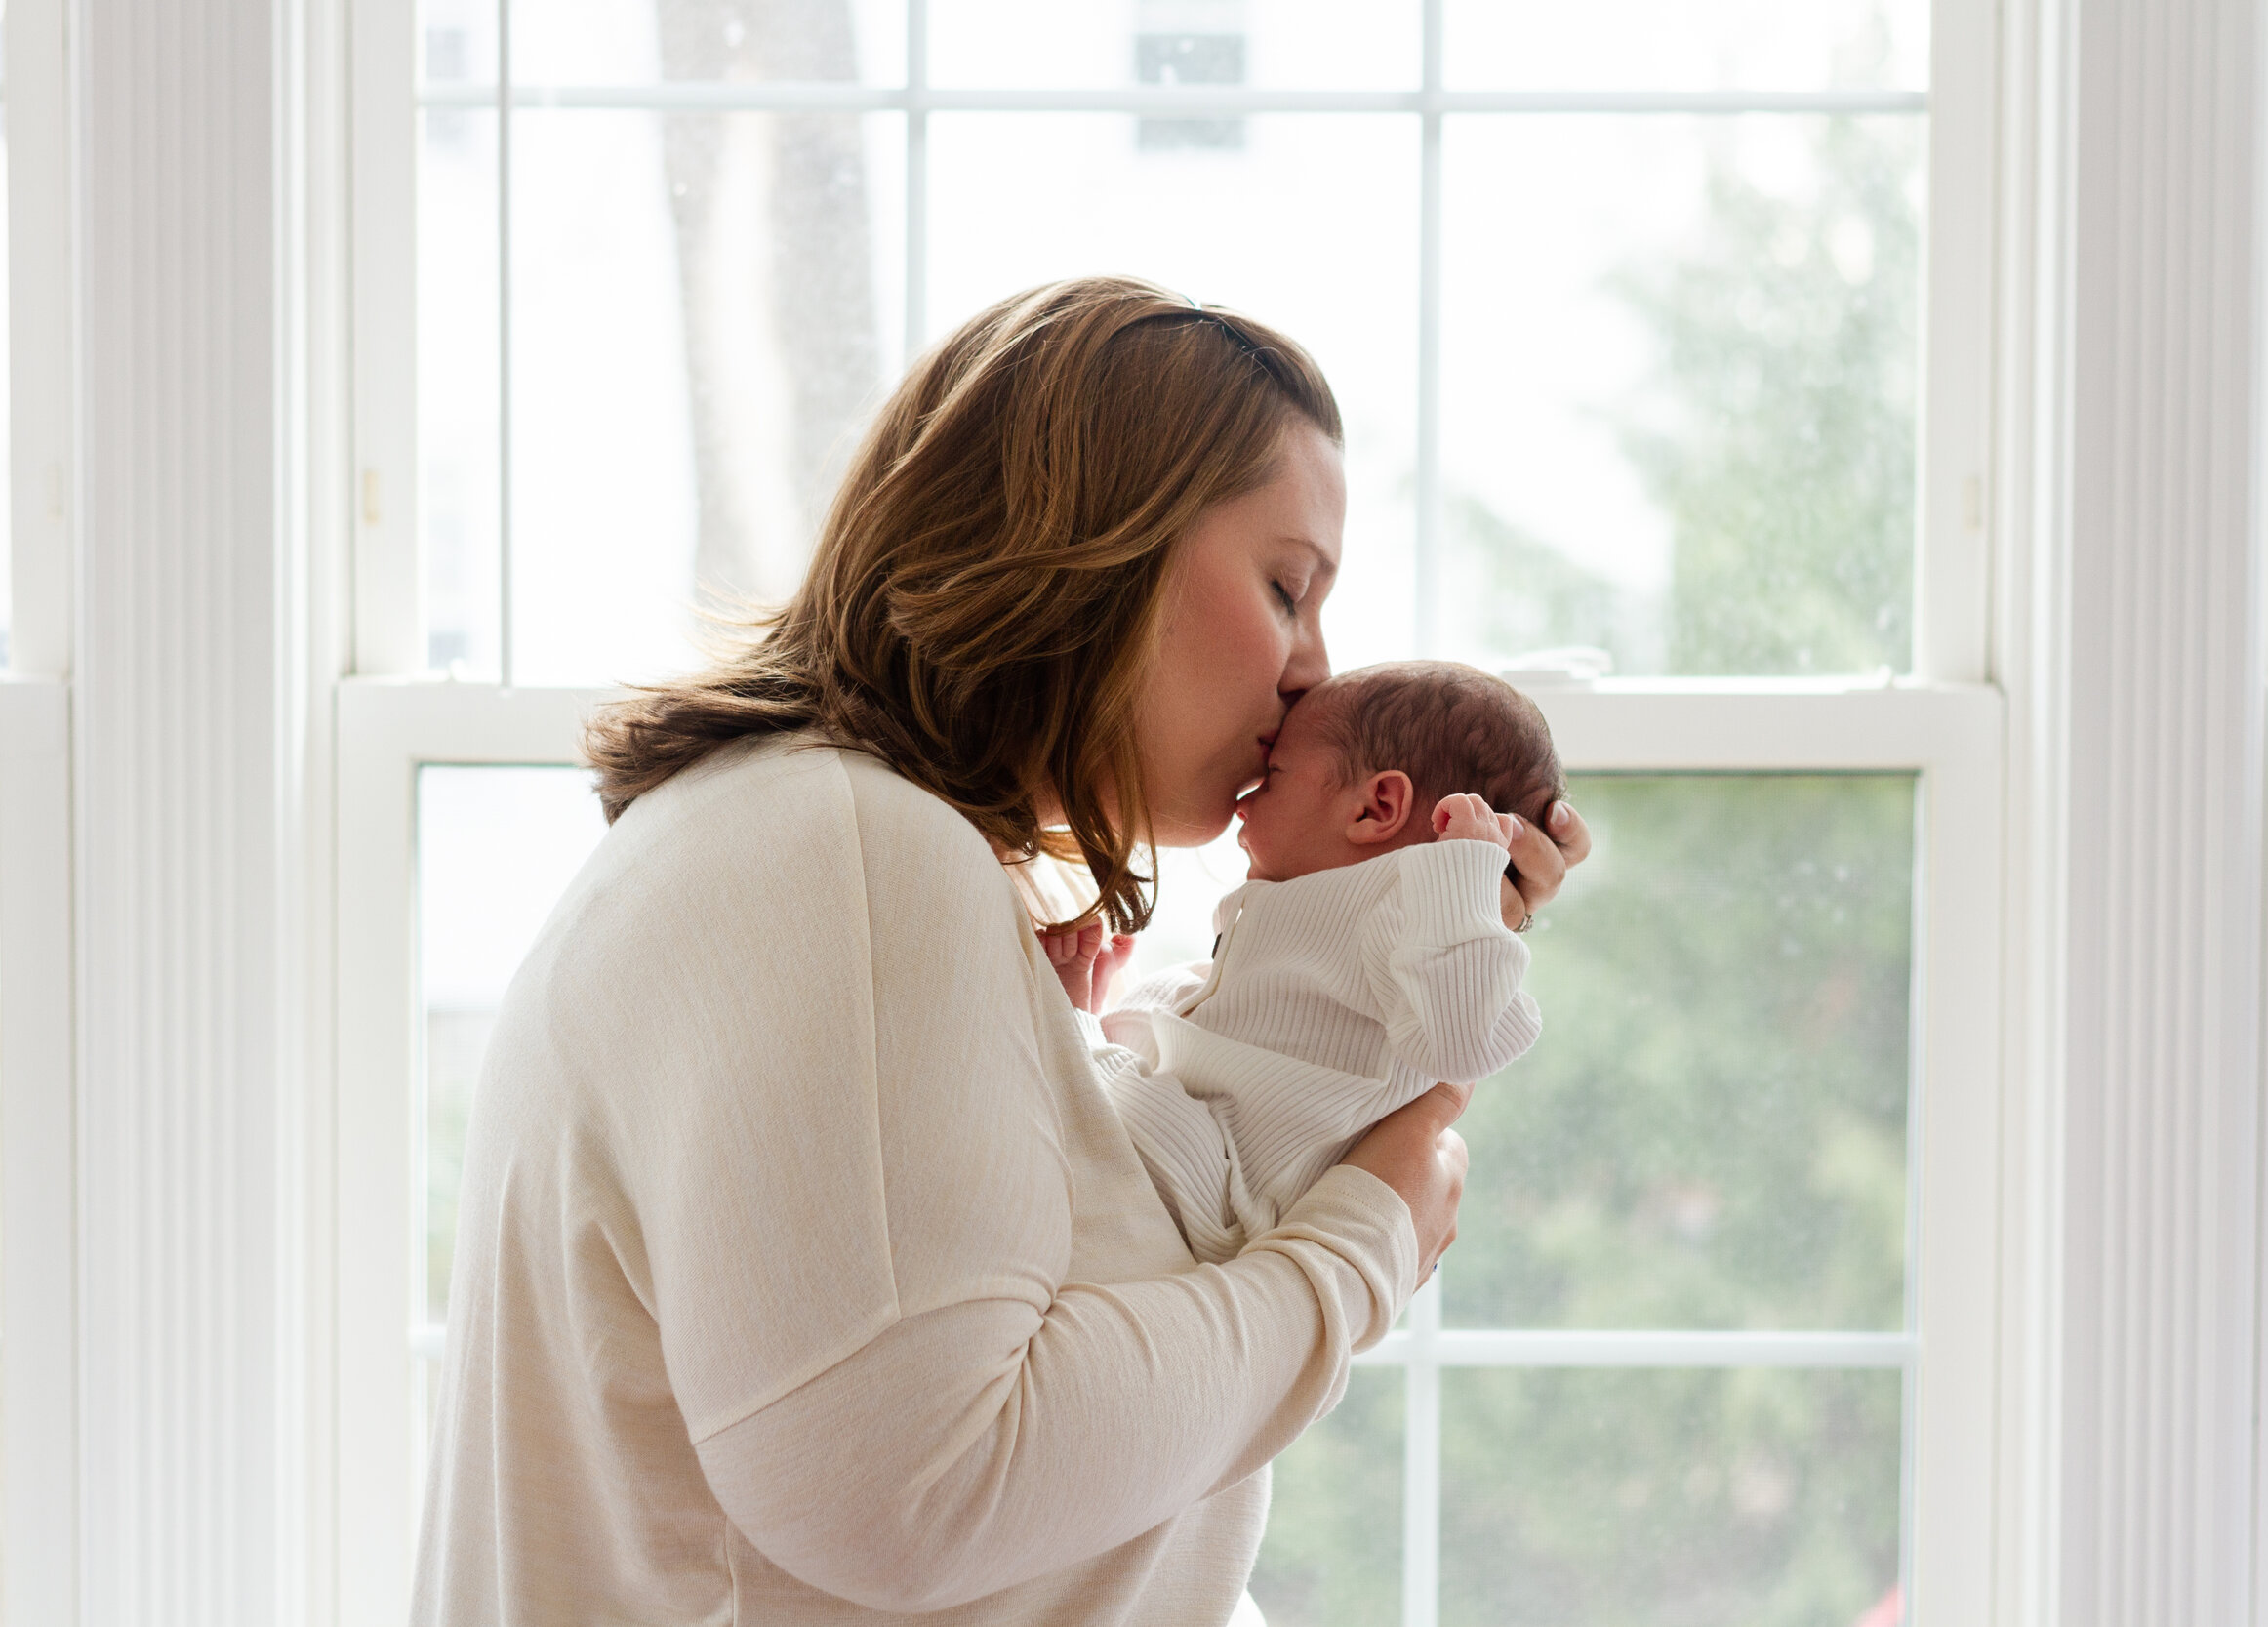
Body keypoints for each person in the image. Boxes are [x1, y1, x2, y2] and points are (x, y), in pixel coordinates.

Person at [409, 274, 1590, 1625]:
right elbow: (923, 1491)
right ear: (1100, 542)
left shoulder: (828, 845)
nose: (1313, 671)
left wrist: (1404, 963)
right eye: (1283, 585)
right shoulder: (845, 848)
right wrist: (1366, 1239)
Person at [1044, 660, 1564, 1265]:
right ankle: (1086, 1027)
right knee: (1163, 1003)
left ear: (1376, 807)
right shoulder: (1350, 905)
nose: (1244, 804)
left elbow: (1461, 1043)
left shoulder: (1414, 906)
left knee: (1115, 1093)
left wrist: (1465, 877)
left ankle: (1073, 1025)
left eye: (1272, 777)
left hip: (1225, 1190)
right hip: (1207, 1142)